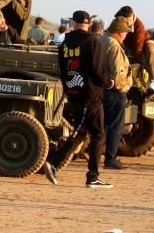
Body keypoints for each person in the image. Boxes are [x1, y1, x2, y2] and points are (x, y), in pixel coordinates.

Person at [43, 11, 113, 188]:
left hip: (73, 93)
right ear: (89, 24)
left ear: (73, 23)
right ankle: (87, 174)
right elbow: (97, 71)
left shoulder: (64, 43)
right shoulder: (92, 42)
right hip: (90, 96)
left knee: (81, 133)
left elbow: (61, 68)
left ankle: (58, 165)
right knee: (97, 135)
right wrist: (109, 82)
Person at [100, 17, 133, 169]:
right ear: (120, 33)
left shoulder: (101, 40)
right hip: (114, 92)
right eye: (126, 33)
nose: (126, 36)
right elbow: (118, 74)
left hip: (101, 89)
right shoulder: (114, 46)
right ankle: (110, 159)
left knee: (103, 125)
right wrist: (124, 88)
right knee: (116, 126)